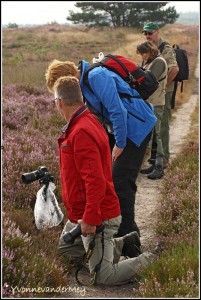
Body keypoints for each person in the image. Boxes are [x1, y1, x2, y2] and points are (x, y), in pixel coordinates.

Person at [50, 75, 158, 286]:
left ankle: (150, 260)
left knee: (102, 277)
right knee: (66, 250)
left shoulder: (81, 131)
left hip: (99, 216)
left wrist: (90, 218)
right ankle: (122, 244)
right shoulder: (86, 119)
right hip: (81, 213)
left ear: (59, 102)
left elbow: (95, 181)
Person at [45, 58, 157, 241]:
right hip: (124, 130)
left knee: (121, 182)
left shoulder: (96, 77)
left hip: (137, 128)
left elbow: (118, 111)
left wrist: (119, 145)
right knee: (112, 179)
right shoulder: (87, 83)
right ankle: (117, 234)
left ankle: (129, 237)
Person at [142, 22, 179, 168]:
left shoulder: (166, 49)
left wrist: (162, 87)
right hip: (154, 95)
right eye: (145, 33)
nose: (147, 36)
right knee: (154, 126)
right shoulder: (150, 49)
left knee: (162, 126)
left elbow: (174, 70)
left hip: (164, 94)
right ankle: (155, 158)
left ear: (157, 32)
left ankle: (163, 160)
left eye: (150, 33)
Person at [136, 41, 168, 179]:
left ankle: (159, 167)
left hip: (156, 102)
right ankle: (154, 163)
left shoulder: (159, 62)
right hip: (151, 102)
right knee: (152, 135)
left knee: (157, 134)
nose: (142, 56)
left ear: (149, 51)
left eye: (143, 53)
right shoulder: (151, 61)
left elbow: (147, 80)